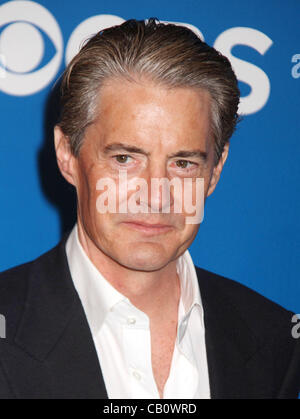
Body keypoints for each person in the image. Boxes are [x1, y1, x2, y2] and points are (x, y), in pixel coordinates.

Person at [0, 19, 299, 399]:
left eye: (184, 163)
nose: (157, 196)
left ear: (215, 171)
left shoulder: (274, 337)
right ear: (67, 156)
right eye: (125, 158)